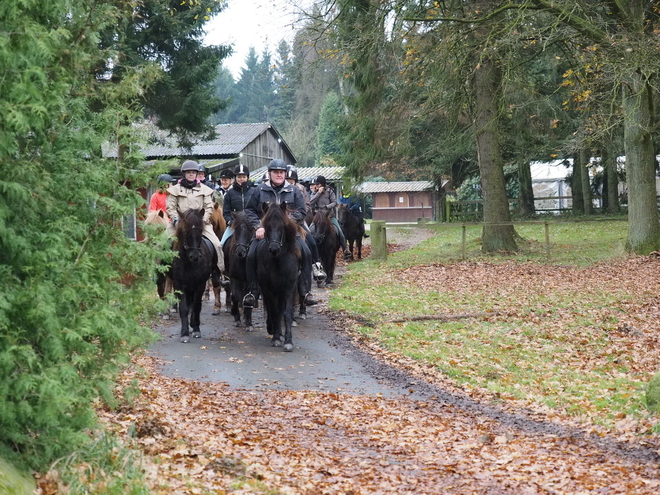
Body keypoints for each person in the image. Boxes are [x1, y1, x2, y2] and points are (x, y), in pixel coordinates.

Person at [242, 159, 318, 308]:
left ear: (285, 174)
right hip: (266, 231)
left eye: (281, 172)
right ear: (270, 174)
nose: (279, 175)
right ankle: (252, 292)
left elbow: (302, 211)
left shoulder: (294, 190)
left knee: (307, 252)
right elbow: (249, 210)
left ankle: (305, 291)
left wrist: (287, 222)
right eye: (275, 172)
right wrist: (258, 226)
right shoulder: (259, 190)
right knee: (251, 255)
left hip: (289, 231)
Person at [166, 160, 224, 273]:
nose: (191, 174)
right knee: (161, 244)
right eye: (188, 172)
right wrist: (176, 220)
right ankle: (159, 273)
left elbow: (209, 207)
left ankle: (219, 271)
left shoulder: (205, 190)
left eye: (193, 172)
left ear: (197, 174)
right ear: (184, 174)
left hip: (200, 223)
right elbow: (170, 208)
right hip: (179, 224)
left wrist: (202, 220)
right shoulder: (174, 190)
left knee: (217, 245)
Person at [285, 167, 326, 281]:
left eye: (291, 180)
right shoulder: (281, 189)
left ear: (295, 181)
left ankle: (317, 266)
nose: (289, 182)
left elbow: (307, 205)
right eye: (287, 180)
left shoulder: (301, 189)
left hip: (298, 221)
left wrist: (295, 218)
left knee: (311, 242)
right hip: (282, 222)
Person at [309, 175, 353, 260]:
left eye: (317, 184)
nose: (316, 185)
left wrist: (327, 207)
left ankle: (345, 250)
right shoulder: (314, 193)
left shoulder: (329, 191)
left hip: (329, 216)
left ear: (322, 184)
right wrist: (318, 193)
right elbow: (311, 203)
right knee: (310, 230)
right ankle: (309, 249)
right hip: (318, 217)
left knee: (339, 231)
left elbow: (334, 202)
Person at [221, 163, 255, 246]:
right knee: (220, 245)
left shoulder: (255, 191)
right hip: (234, 225)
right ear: (235, 178)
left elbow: (259, 209)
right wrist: (230, 222)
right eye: (239, 177)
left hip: (252, 224)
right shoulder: (229, 193)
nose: (241, 179)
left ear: (248, 177)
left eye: (243, 177)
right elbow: (226, 212)